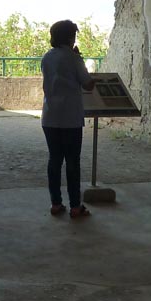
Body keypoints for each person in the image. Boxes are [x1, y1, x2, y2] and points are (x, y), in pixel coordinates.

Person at [40, 19, 96, 218]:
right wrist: (81, 63)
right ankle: (75, 206)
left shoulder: (47, 57)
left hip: (49, 116)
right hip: (70, 118)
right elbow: (87, 84)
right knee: (72, 162)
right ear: (71, 37)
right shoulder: (74, 58)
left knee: (54, 160)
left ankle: (56, 203)